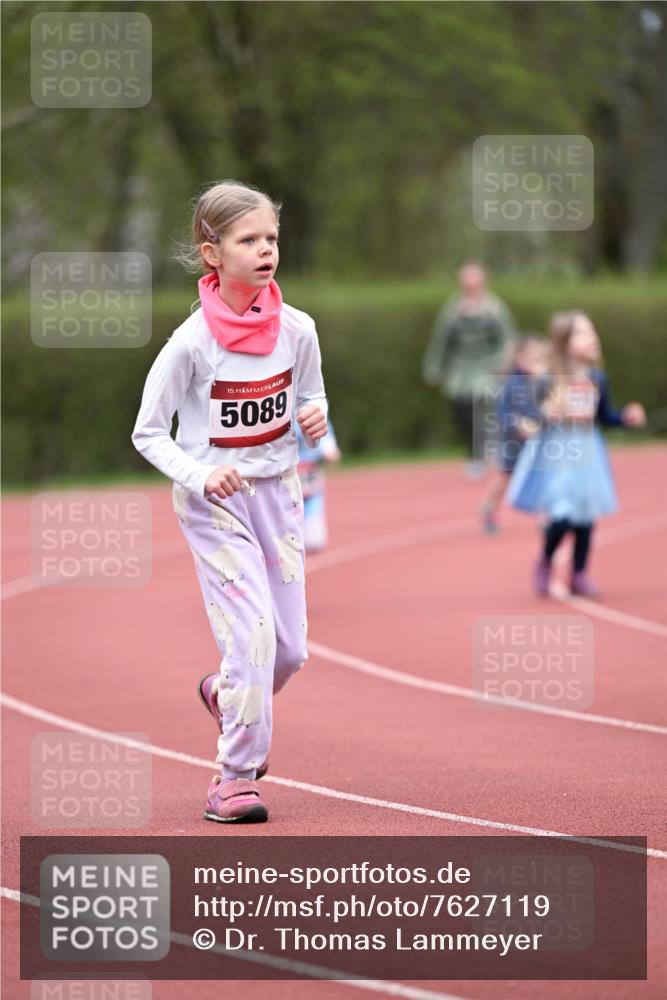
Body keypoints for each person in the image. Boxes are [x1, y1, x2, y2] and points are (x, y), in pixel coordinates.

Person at [132, 180, 328, 823]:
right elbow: (147, 433)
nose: (266, 249)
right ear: (212, 253)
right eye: (249, 240)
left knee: (289, 651)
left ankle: (225, 693)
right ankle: (234, 778)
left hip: (279, 495)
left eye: (272, 237)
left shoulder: (298, 329)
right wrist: (200, 475)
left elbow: (311, 396)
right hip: (215, 505)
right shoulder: (191, 344)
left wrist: (315, 416)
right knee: (253, 637)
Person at [507, 310, 645, 596]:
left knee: (585, 516)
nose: (592, 338)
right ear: (564, 341)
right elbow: (529, 413)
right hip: (558, 452)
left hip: (588, 451)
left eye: (592, 332)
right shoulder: (548, 379)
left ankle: (578, 573)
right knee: (563, 513)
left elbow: (605, 416)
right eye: (582, 333)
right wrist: (547, 413)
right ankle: (545, 559)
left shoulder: (597, 378)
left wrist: (626, 417)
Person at [422, 262, 516, 479]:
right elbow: (441, 340)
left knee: (483, 405)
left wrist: (503, 362)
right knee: (461, 409)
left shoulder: (494, 307)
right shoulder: (453, 308)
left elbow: (507, 337)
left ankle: (484, 453)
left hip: (486, 365)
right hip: (460, 368)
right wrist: (434, 366)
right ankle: (476, 451)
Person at [480, 335, 546, 534]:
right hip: (514, 442)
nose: (538, 363)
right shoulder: (511, 384)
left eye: (540, 358)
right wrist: (518, 424)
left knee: (542, 477)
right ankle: (488, 508)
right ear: (520, 358)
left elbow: (547, 409)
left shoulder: (542, 383)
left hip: (537, 441)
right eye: (534, 358)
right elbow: (502, 413)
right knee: (505, 476)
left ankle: (546, 516)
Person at [296, 420, 341, 553]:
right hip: (283, 483)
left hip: (310, 481)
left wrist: (330, 450)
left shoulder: (315, 409)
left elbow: (325, 432)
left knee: (314, 542)